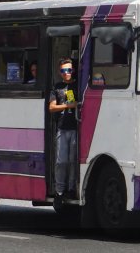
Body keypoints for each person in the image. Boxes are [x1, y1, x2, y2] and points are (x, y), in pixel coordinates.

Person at [49, 58, 79, 201]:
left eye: (69, 70)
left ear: (73, 71)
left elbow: (77, 104)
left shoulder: (77, 86)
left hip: (75, 128)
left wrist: (72, 105)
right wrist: (67, 106)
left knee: (73, 161)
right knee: (61, 161)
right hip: (62, 128)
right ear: (60, 72)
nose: (66, 73)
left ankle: (71, 189)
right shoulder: (58, 87)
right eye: (63, 71)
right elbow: (52, 107)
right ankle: (59, 191)